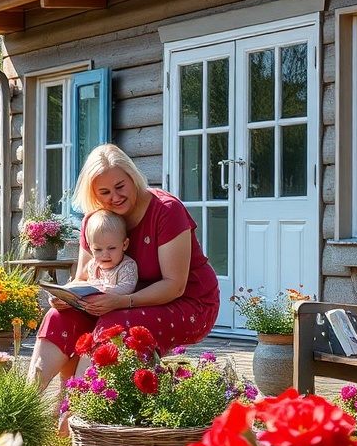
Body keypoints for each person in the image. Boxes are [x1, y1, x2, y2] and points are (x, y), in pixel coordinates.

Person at [27, 143, 220, 396]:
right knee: (57, 317)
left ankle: (75, 407)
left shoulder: (166, 211)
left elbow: (176, 285)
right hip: (114, 300)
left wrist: (122, 301)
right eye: (104, 192)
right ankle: (23, 406)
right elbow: (84, 277)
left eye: (120, 187)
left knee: (115, 324)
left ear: (133, 177)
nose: (115, 197)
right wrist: (65, 296)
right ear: (94, 194)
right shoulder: (95, 220)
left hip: (188, 302)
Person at [66, 209, 138, 295]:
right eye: (98, 249)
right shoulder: (93, 266)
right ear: (90, 248)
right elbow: (83, 284)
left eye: (112, 248)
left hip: (119, 305)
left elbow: (126, 288)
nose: (105, 255)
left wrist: (100, 290)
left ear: (124, 245)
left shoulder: (127, 266)